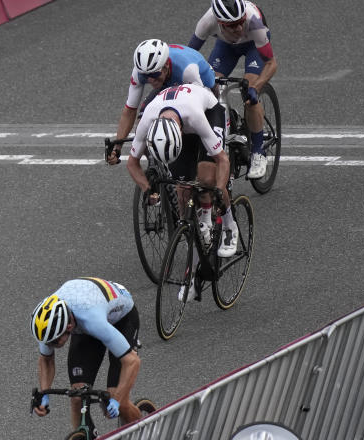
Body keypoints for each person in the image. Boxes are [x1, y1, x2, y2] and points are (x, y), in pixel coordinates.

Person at [126, 82, 238, 264]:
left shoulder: (195, 117)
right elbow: (132, 163)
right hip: (176, 116)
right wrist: (147, 189)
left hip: (208, 113)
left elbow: (223, 160)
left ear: (180, 132)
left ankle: (229, 225)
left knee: (207, 178)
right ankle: (196, 233)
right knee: (183, 191)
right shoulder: (147, 121)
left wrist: (219, 188)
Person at [31, 277, 142, 430]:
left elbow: (132, 361)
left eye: (54, 342)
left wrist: (116, 400)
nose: (51, 346)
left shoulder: (91, 320)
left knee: (118, 399)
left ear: (69, 326)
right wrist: (44, 393)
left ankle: (148, 432)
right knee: (77, 397)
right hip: (86, 312)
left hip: (121, 319)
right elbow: (46, 359)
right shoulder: (48, 323)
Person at [188, 0, 276, 179]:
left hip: (254, 45)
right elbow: (188, 55)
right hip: (225, 46)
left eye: (240, 22)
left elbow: (271, 63)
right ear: (220, 23)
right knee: (210, 87)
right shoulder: (207, 22)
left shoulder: (253, 23)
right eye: (232, 25)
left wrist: (256, 88)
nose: (238, 28)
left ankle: (258, 152)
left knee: (249, 91)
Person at [106, 39, 216, 165]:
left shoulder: (187, 71)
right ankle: (157, 165)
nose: (150, 80)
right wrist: (117, 147)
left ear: (166, 65)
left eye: (154, 74)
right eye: (146, 76)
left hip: (196, 81)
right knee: (142, 124)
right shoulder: (141, 72)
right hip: (165, 84)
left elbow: (201, 108)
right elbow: (130, 110)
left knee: (190, 126)